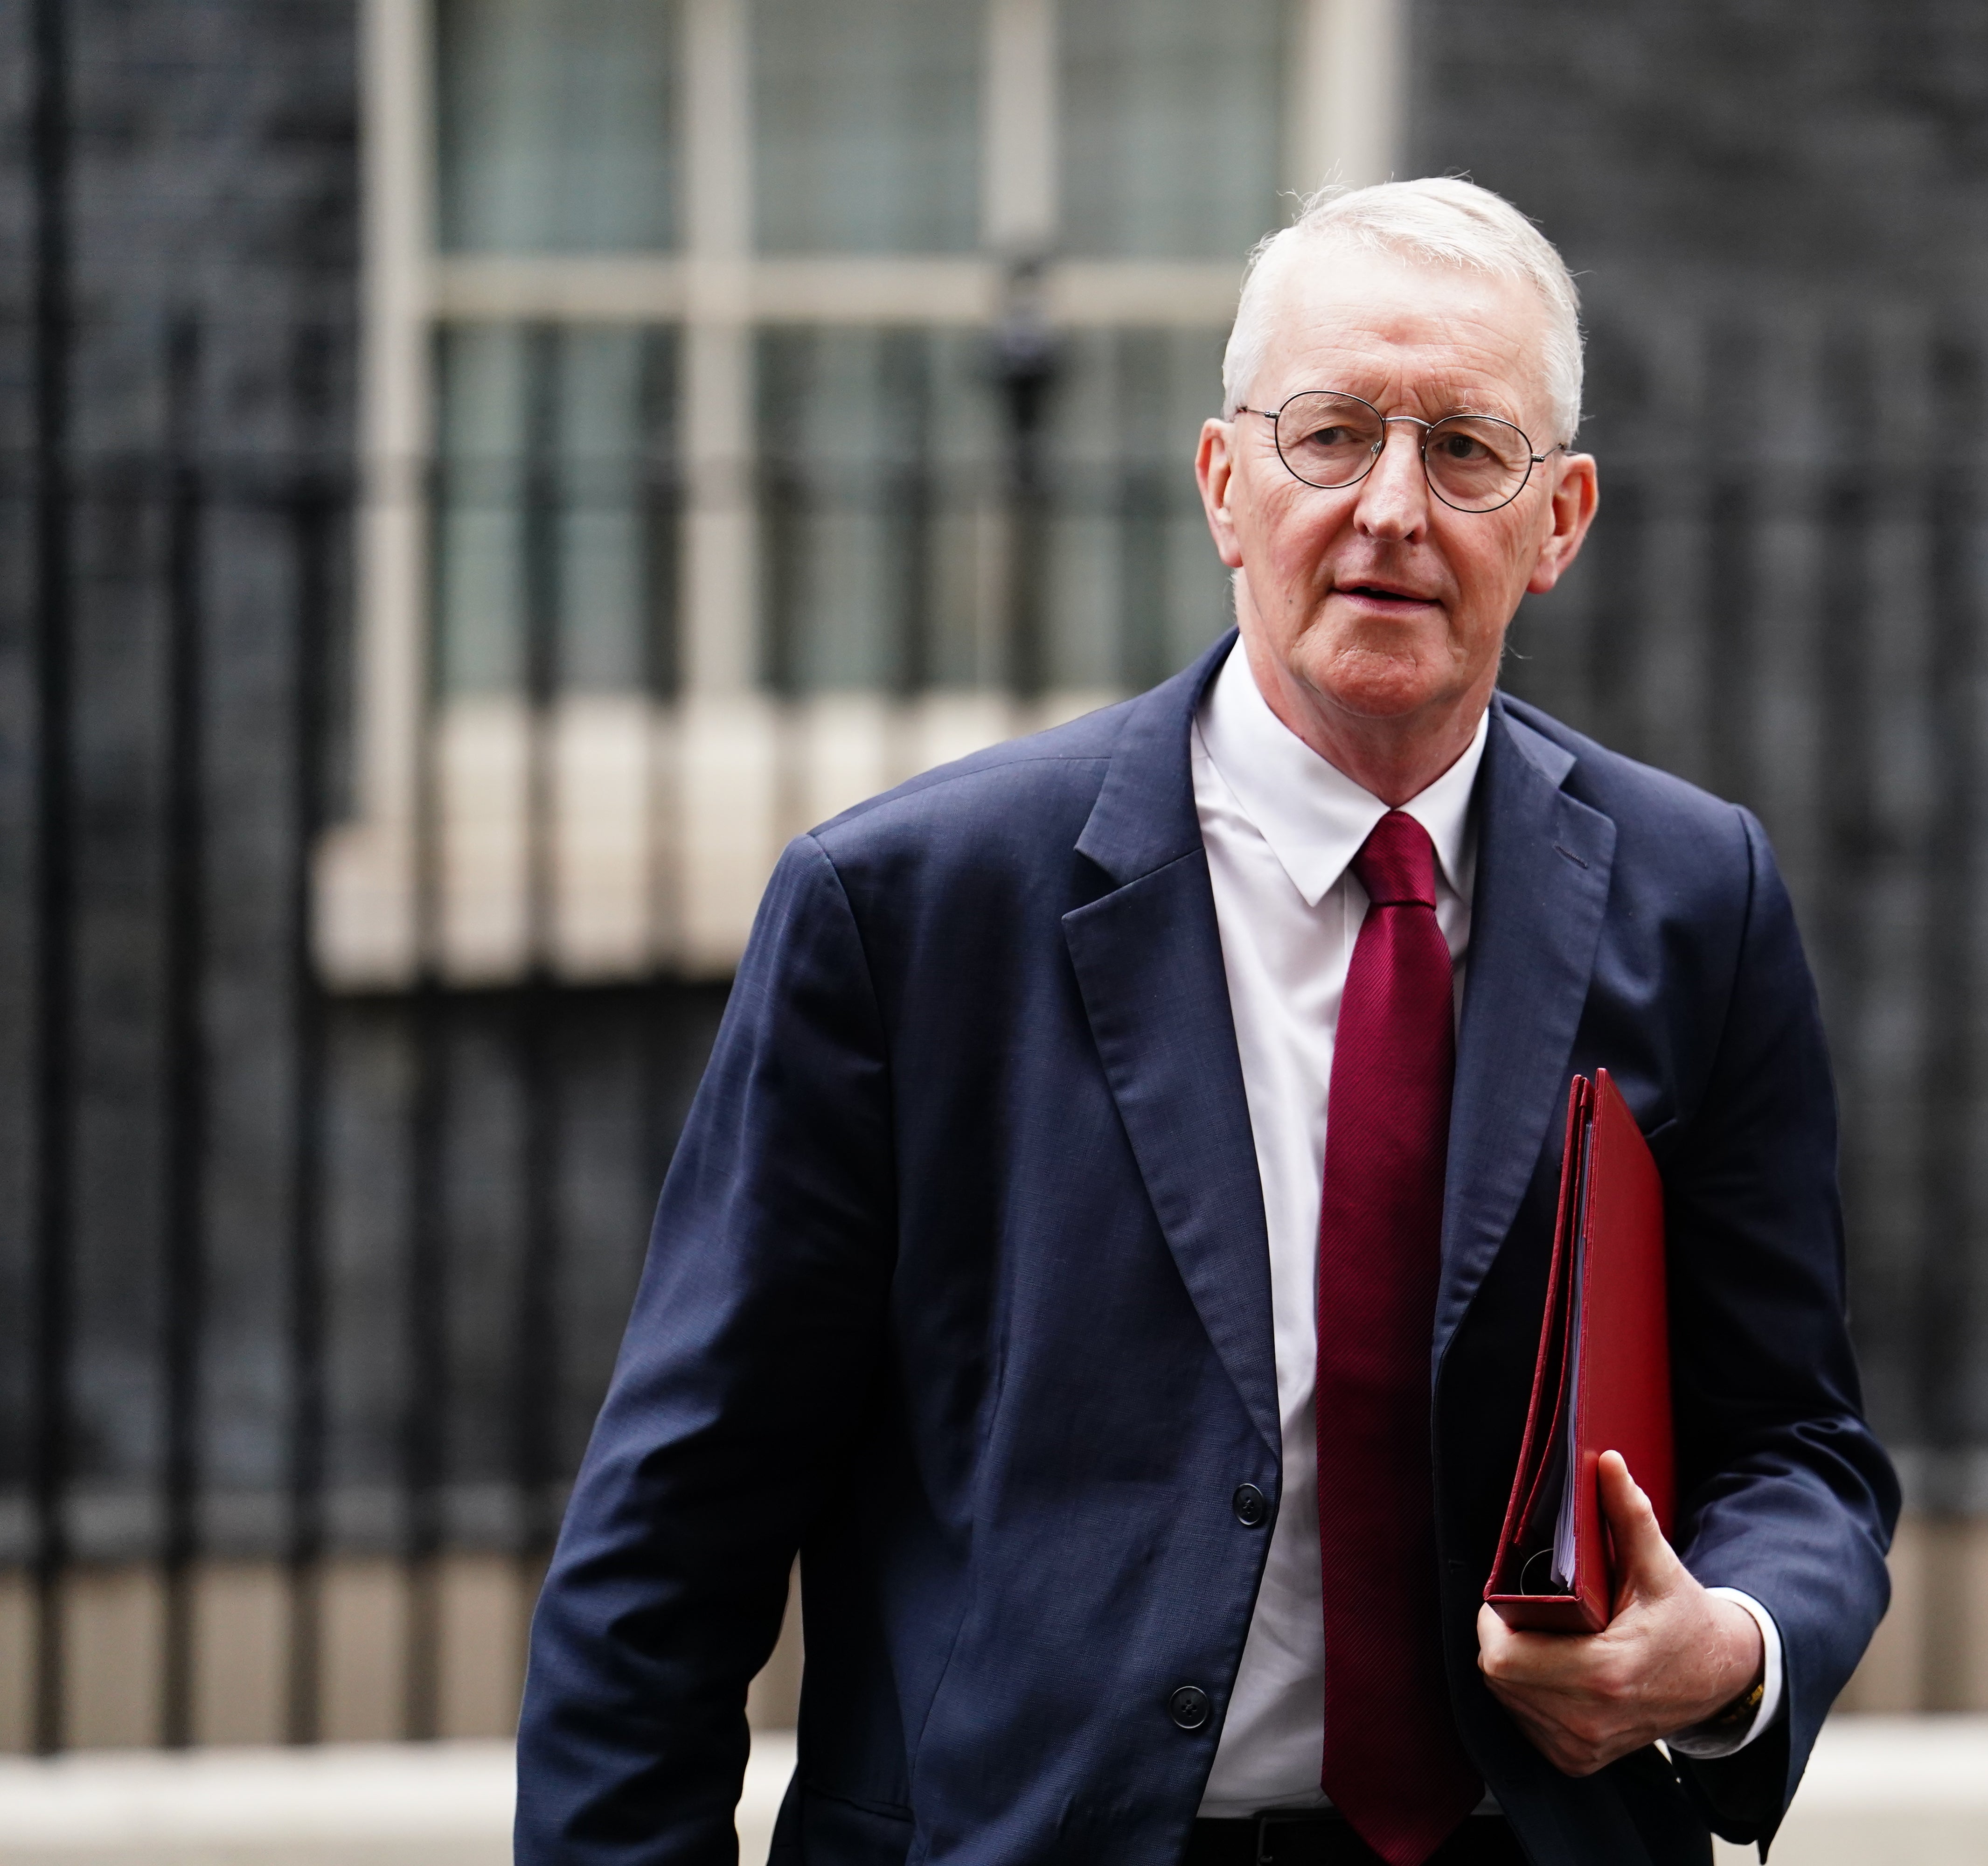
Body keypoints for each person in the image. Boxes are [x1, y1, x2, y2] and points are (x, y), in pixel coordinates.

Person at [515, 178, 1897, 1866]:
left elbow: (1799, 1442)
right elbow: (673, 1542)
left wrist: (1731, 1649)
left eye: (1468, 450)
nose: (1394, 507)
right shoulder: (907, 912)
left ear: (1561, 522)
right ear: (1225, 486)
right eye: (1331, 437)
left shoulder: (1703, 899)